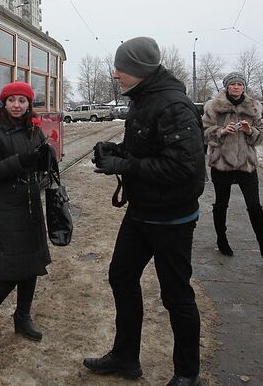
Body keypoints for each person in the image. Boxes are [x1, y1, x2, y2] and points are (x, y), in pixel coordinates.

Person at [87, 37, 206, 386]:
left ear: (138, 71)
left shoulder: (174, 106)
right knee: (121, 277)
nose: (115, 73)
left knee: (176, 295)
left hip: (172, 218)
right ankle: (125, 358)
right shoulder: (144, 100)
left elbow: (185, 166)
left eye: (120, 68)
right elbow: (146, 146)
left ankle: (187, 375)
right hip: (142, 212)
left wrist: (126, 165)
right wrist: (114, 151)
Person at [0, 81, 51, 348]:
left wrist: (45, 157)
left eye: (22, 101)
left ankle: (22, 317)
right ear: (4, 103)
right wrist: (21, 162)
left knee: (32, 264)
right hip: (7, 206)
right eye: (12, 100)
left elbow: (39, 161)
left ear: (29, 105)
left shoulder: (32, 129)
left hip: (29, 203)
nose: (17, 105)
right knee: (14, 266)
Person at [203, 72, 263, 264]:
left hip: (246, 164)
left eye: (240, 84)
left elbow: (261, 137)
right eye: (233, 84)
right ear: (227, 86)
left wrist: (249, 130)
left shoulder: (253, 107)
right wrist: (221, 131)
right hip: (222, 164)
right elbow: (204, 134)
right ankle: (222, 240)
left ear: (244, 87)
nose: (237, 87)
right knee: (221, 205)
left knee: (254, 206)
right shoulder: (213, 107)